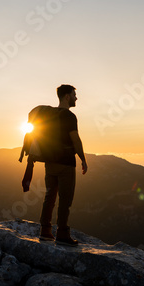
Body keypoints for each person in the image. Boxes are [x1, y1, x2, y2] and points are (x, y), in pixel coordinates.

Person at [39, 85, 88, 246]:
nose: (76, 98)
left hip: (49, 162)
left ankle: (45, 232)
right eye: (74, 95)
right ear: (67, 96)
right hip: (66, 163)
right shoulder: (69, 116)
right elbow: (75, 140)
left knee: (49, 197)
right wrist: (83, 159)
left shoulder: (50, 115)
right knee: (65, 199)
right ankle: (62, 234)